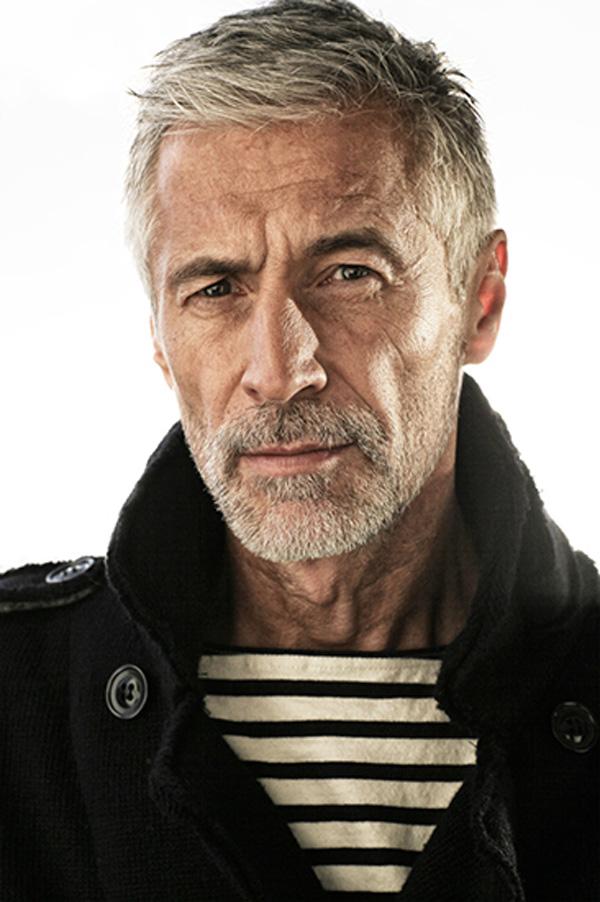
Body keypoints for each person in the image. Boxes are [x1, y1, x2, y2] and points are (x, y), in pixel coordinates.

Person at [1, 1, 598, 899]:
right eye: (215, 288)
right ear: (159, 335)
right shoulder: (15, 693)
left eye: (350, 274)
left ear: (480, 301)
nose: (280, 371)